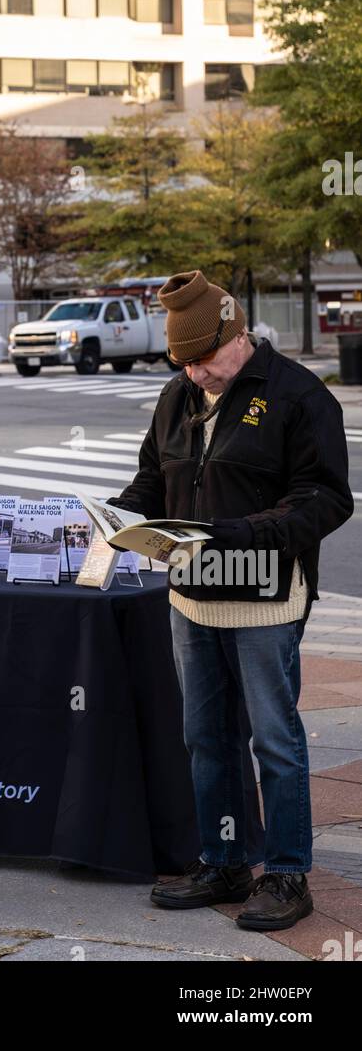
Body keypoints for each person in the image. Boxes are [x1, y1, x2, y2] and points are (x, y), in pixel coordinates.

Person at [108, 269, 352, 931]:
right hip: (192, 600)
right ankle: (222, 862)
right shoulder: (176, 397)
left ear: (237, 333)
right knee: (206, 739)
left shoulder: (298, 396)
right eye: (183, 364)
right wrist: (117, 522)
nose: (196, 375)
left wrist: (244, 533)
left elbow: (327, 499)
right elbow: (151, 480)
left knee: (274, 738)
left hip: (266, 599)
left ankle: (287, 872)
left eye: (204, 359)